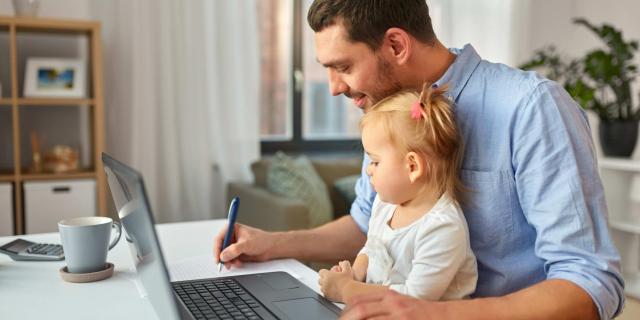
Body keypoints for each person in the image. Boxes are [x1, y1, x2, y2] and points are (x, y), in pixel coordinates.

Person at [213, 0, 625, 319]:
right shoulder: (389, 113)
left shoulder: (531, 108)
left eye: (343, 66)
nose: (335, 87)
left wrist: (430, 313)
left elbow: (590, 283)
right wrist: (271, 245)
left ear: (395, 44)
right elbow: (365, 224)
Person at [318, 84, 478, 303]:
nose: (368, 169)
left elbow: (415, 299)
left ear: (412, 167)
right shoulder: (386, 205)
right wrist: (353, 275)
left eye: (375, 161)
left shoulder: (442, 227)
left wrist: (347, 290)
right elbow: (371, 248)